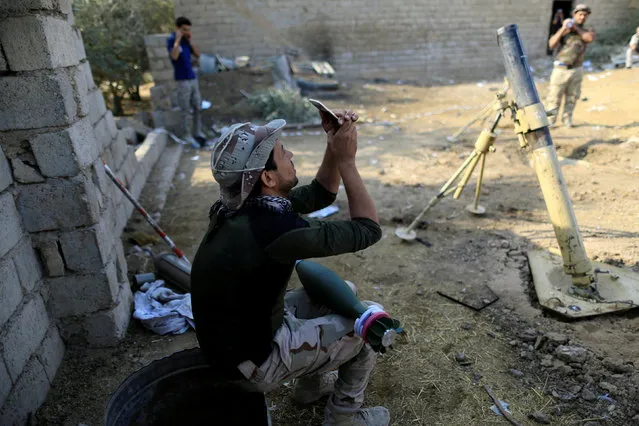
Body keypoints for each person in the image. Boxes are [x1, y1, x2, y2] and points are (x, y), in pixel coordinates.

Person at [190, 108, 391, 426]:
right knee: (366, 322)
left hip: (236, 345)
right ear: (267, 178)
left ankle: (308, 389)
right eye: (283, 152)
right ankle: (344, 419)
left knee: (344, 294)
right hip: (254, 362)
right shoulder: (275, 231)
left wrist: (332, 144)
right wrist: (348, 162)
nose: (291, 153)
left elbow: (320, 193)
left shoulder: (236, 208)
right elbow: (368, 230)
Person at [545, 4, 596, 128]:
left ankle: (567, 120)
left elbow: (588, 38)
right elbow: (551, 44)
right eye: (580, 14)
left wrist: (576, 28)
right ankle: (550, 121)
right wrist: (563, 29)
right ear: (574, 15)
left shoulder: (587, 29)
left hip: (576, 69)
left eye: (585, 15)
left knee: (572, 97)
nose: (582, 17)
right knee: (554, 97)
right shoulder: (564, 30)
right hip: (560, 69)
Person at [167, 17, 206, 148]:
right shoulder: (172, 40)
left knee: (197, 106)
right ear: (178, 29)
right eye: (184, 30)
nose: (186, 32)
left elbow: (198, 55)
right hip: (182, 79)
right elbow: (174, 56)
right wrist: (177, 40)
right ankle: (186, 134)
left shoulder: (186, 41)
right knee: (185, 109)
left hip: (192, 77)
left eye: (188, 30)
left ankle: (197, 132)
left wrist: (189, 41)